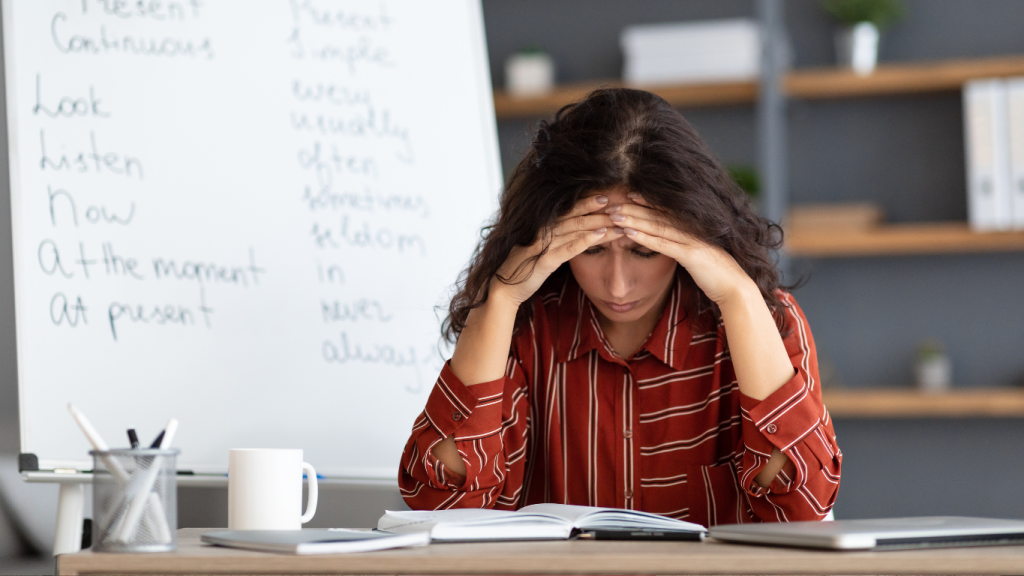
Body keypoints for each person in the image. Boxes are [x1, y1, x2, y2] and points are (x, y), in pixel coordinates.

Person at [398, 88, 841, 526]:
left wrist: (738, 295)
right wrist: (501, 297)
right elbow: (443, 506)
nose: (617, 284)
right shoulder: (525, 326)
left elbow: (799, 510)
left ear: (694, 236)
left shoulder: (765, 319)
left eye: (644, 251)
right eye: (590, 250)